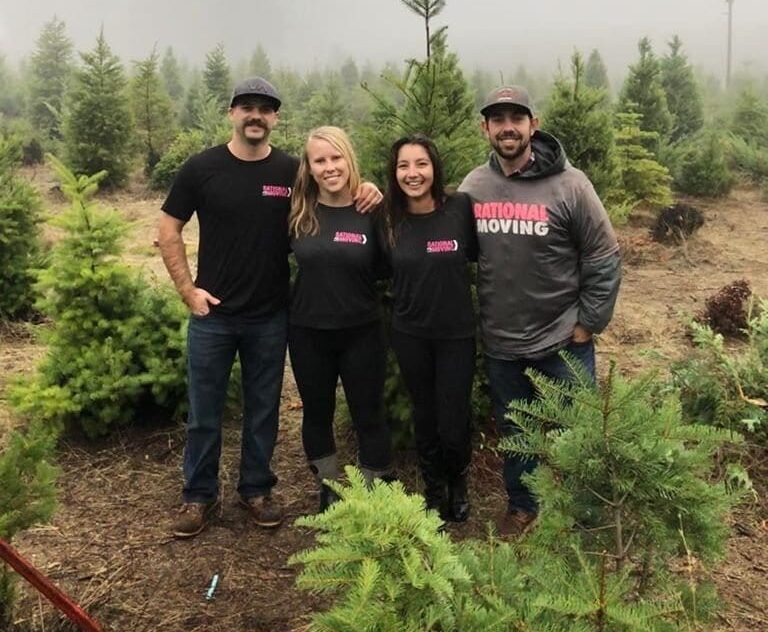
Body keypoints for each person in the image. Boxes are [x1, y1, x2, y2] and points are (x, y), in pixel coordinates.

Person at [158, 78, 382, 538]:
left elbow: (335, 183)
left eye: (265, 108)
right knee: (205, 412)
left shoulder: (291, 172)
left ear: (275, 117)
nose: (255, 115)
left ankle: (256, 489)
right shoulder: (202, 168)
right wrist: (187, 290)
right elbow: (167, 228)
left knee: (264, 409)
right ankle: (198, 496)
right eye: (247, 107)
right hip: (213, 316)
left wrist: (373, 189)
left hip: (271, 316)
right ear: (232, 113)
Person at [458, 86, 621, 534]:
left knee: (580, 433)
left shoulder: (571, 185)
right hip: (502, 341)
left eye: (517, 117)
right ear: (485, 128)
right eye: (498, 119)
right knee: (516, 432)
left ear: (534, 123)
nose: (507, 126)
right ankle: (523, 505)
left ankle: (582, 515)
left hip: (562, 341)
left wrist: (589, 325)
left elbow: (604, 257)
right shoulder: (474, 187)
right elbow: (449, 249)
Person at [288, 126, 394, 512]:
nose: (329, 167)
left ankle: (372, 492)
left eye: (336, 158)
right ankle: (330, 489)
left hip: (362, 331)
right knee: (317, 412)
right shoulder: (298, 210)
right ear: (310, 167)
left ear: (350, 161)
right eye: (320, 160)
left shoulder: (370, 208)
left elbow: (391, 266)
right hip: (307, 332)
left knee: (369, 413)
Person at [380, 134, 477, 522]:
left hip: (456, 334)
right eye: (403, 165)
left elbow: (479, 256)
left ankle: (458, 482)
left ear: (434, 168)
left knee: (453, 421)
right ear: (394, 172)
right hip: (410, 334)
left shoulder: (460, 209)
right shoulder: (386, 217)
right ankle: (434, 489)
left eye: (420, 164)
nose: (412, 173)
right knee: (425, 415)